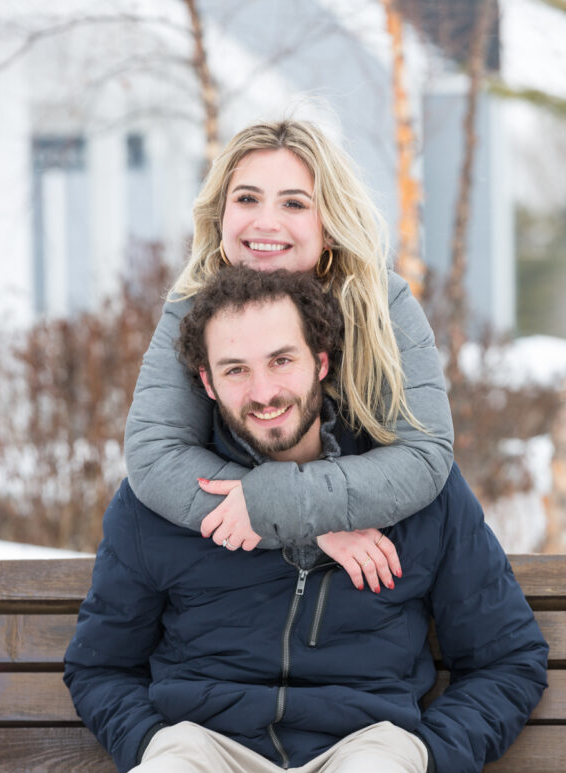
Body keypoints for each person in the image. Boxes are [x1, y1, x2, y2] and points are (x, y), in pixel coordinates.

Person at [64, 266, 548, 773]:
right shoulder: (158, 505)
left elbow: (508, 660)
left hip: (355, 764)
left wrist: (422, 755)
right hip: (210, 764)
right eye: (235, 370)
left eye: (282, 360)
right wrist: (155, 742)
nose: (264, 391)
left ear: (322, 361)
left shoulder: (418, 495)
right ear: (206, 383)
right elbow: (100, 666)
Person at [124, 119, 454, 588]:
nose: (265, 222)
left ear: (330, 226)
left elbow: (422, 455)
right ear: (220, 215)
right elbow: (156, 457)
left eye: (294, 203)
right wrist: (308, 525)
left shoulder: (382, 303)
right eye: (246, 199)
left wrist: (285, 506)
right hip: (237, 589)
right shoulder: (193, 304)